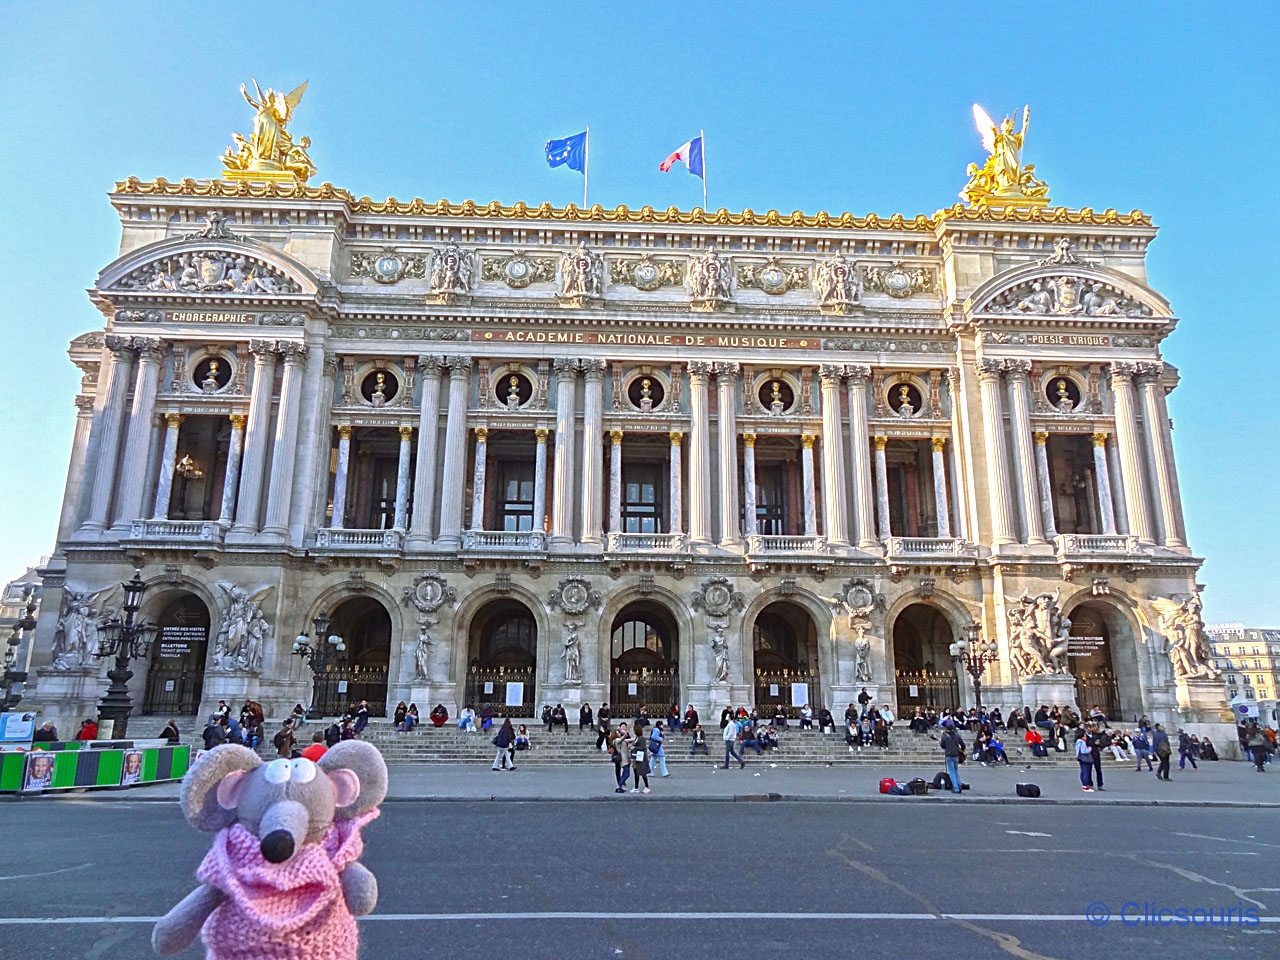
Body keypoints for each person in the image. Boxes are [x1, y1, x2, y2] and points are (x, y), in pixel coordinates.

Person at [939, 719, 964, 795]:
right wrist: (961, 750)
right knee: (956, 770)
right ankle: (959, 784)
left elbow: (943, 746)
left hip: (949, 755)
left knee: (952, 772)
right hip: (956, 755)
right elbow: (963, 745)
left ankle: (956, 788)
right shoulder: (957, 735)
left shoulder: (944, 736)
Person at [613, 722, 632, 792]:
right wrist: (623, 732)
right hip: (623, 759)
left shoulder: (622, 740)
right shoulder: (617, 740)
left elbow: (629, 740)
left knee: (625, 773)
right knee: (627, 774)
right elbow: (624, 737)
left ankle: (620, 785)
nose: (619, 734)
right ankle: (618, 786)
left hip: (626, 758)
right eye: (618, 733)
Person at [631, 728, 651, 794]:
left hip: (641, 757)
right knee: (636, 772)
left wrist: (634, 747)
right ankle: (636, 787)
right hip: (637, 757)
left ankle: (647, 787)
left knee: (643, 773)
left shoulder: (641, 738)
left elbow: (643, 747)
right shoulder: (637, 737)